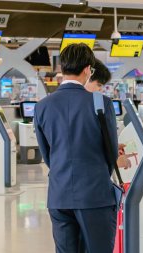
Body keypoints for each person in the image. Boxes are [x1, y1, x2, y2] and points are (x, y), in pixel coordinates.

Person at [34, 43, 118, 253]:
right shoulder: (101, 103)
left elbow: (47, 153)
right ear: (88, 70)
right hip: (95, 195)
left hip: (59, 194)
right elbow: (112, 152)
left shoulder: (43, 106)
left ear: (62, 68)